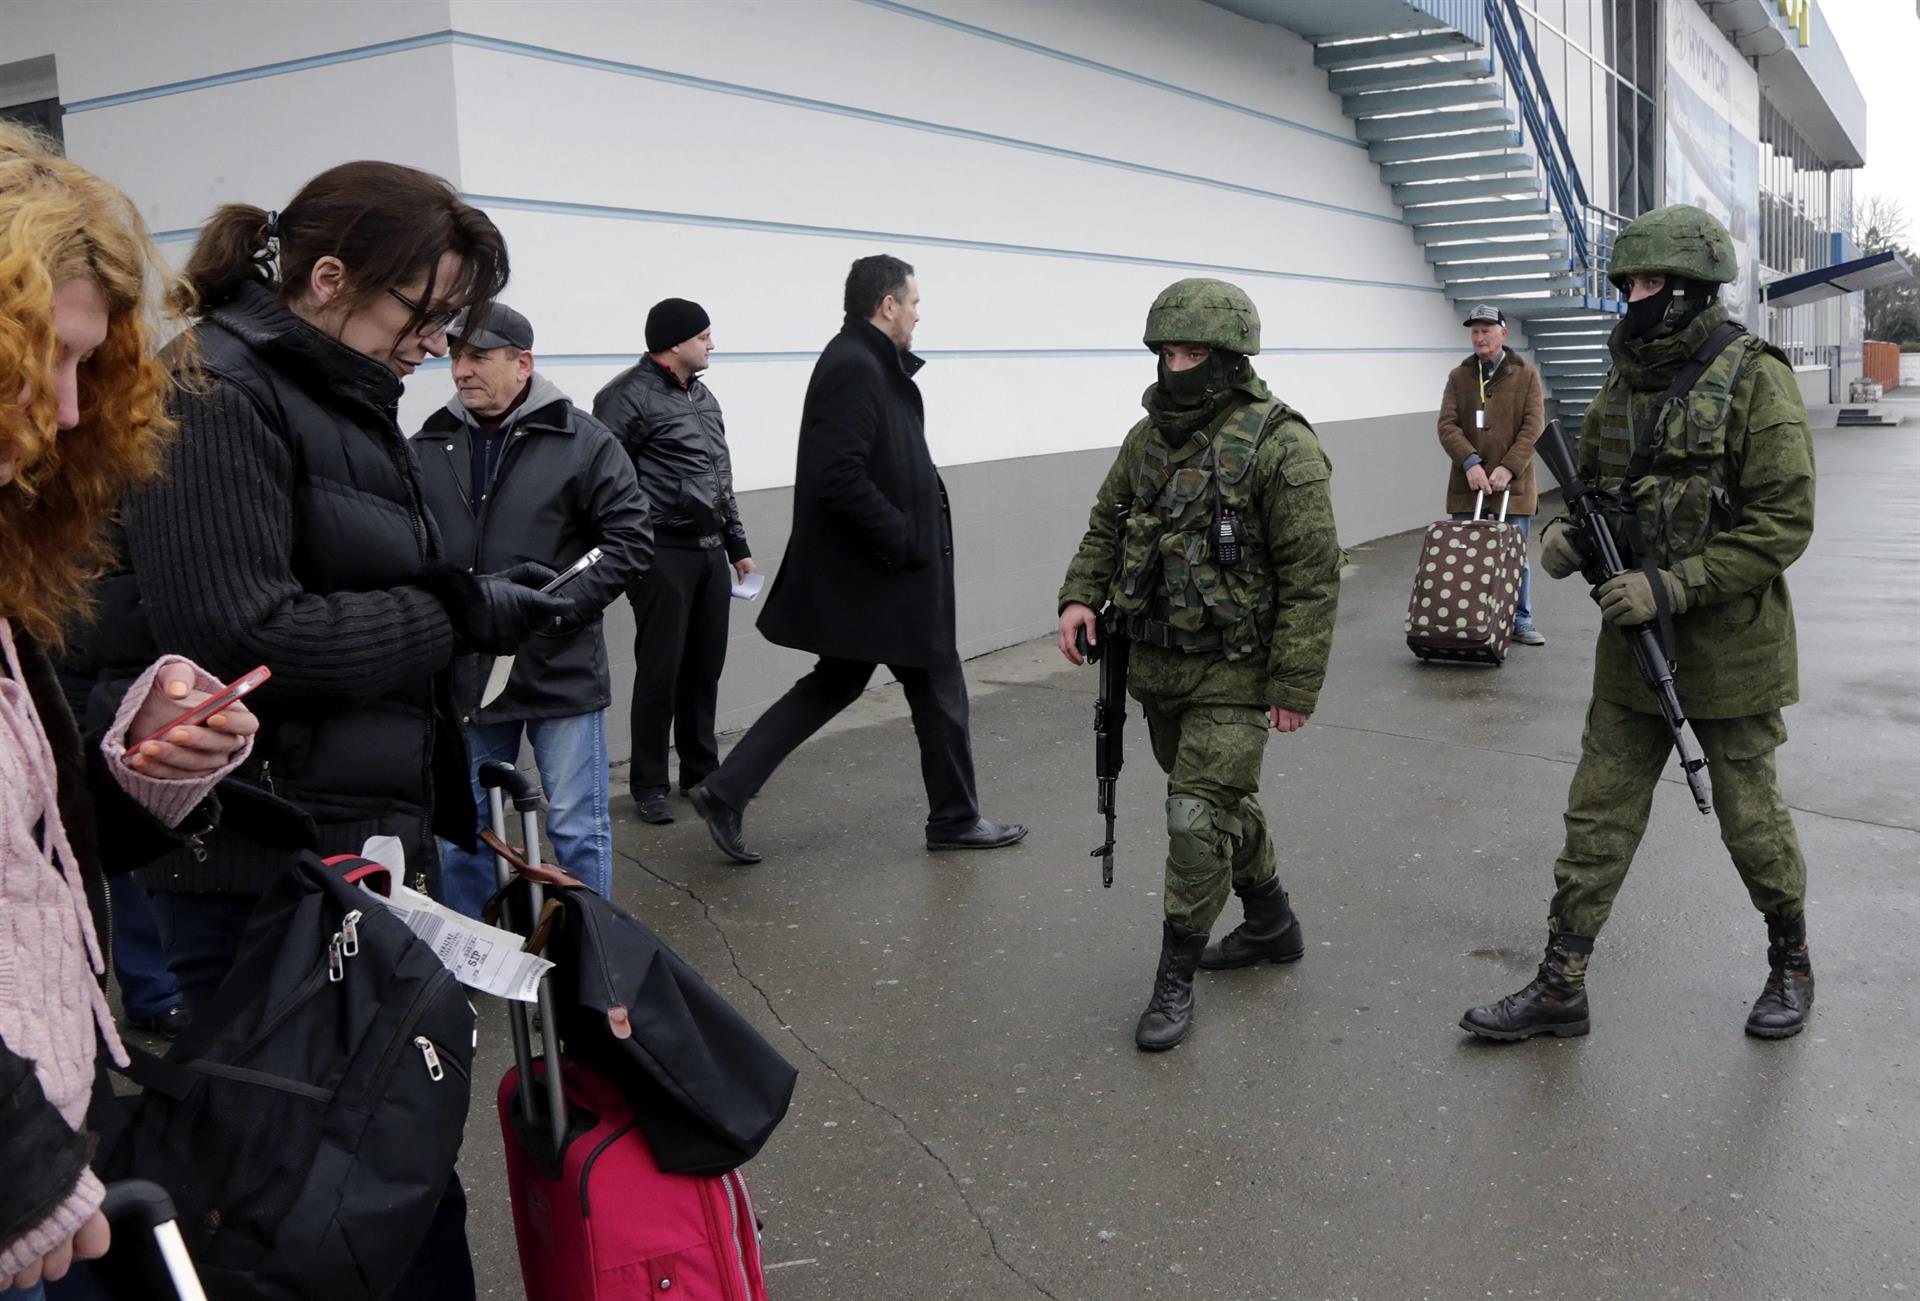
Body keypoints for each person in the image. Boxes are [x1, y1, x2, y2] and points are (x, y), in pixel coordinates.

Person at [117, 162, 567, 1301]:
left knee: (390, 1180)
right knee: (312, 1209)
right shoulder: (216, 388)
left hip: (357, 853)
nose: (438, 346)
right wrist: (455, 608)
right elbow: (241, 637)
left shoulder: (337, 393)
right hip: (268, 873)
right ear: (330, 278)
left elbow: (345, 588)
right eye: (425, 316)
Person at [0, 122, 258, 1300]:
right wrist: (14, 1158)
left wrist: (152, 765)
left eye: (82, 369)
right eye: (35, 361)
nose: (61, 413)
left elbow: (34, 868)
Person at [1461, 204, 1818, 1042]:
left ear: (1694, 292)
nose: (1635, 299)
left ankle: (1791, 959)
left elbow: (1783, 522)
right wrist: (1569, 538)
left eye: (1651, 284)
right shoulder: (1623, 380)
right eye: (1627, 284)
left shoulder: (1756, 377)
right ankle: (1562, 981)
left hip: (1731, 649)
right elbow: (1598, 486)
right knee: (1598, 813)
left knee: (1751, 821)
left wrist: (1675, 586)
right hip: (1631, 647)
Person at [1058, 278, 1342, 1051]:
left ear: (1229, 358)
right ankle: (1272, 920)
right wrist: (1080, 595)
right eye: (1168, 352)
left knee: (1193, 817)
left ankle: (1172, 979)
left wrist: (1294, 682)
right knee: (1219, 806)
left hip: (1239, 671)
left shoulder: (1282, 446)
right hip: (1157, 667)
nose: (1177, 366)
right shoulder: (1144, 440)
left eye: (1193, 353)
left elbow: (1313, 576)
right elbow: (1107, 523)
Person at [686, 255, 1025, 863]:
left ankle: (728, 789)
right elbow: (835, 473)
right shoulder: (853, 365)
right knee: (934, 681)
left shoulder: (867, 361)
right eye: (914, 302)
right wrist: (902, 536)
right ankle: (953, 818)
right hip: (884, 571)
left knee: (847, 679)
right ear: (887, 304)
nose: (919, 314)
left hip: (883, 570)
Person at [415, 303, 652, 917]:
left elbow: (628, 541)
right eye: (457, 356)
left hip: (559, 670)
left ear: (523, 364)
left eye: (479, 356)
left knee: (575, 827)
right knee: (464, 829)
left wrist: (550, 612)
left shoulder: (585, 440)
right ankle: (473, 958)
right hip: (466, 674)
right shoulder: (428, 443)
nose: (461, 370)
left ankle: (590, 960)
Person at [592, 298, 753, 825]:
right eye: (705, 336)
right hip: (659, 552)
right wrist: (636, 542)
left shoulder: (704, 397)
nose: (712, 344)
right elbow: (606, 482)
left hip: (708, 552)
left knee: (704, 667)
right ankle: (648, 786)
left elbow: (719, 480)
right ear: (676, 342)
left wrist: (738, 547)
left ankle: (702, 776)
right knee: (660, 670)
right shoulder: (623, 397)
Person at [1436, 303, 1546, 645]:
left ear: (1503, 333)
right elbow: (1447, 425)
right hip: (1469, 484)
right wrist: (1470, 463)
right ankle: (1465, 619)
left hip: (1513, 485)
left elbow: (1533, 427)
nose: (1479, 337)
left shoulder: (1526, 374)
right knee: (1465, 555)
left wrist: (1507, 468)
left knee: (1515, 556)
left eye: (1486, 330)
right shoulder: (1459, 376)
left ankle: (1520, 620)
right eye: (1475, 331)